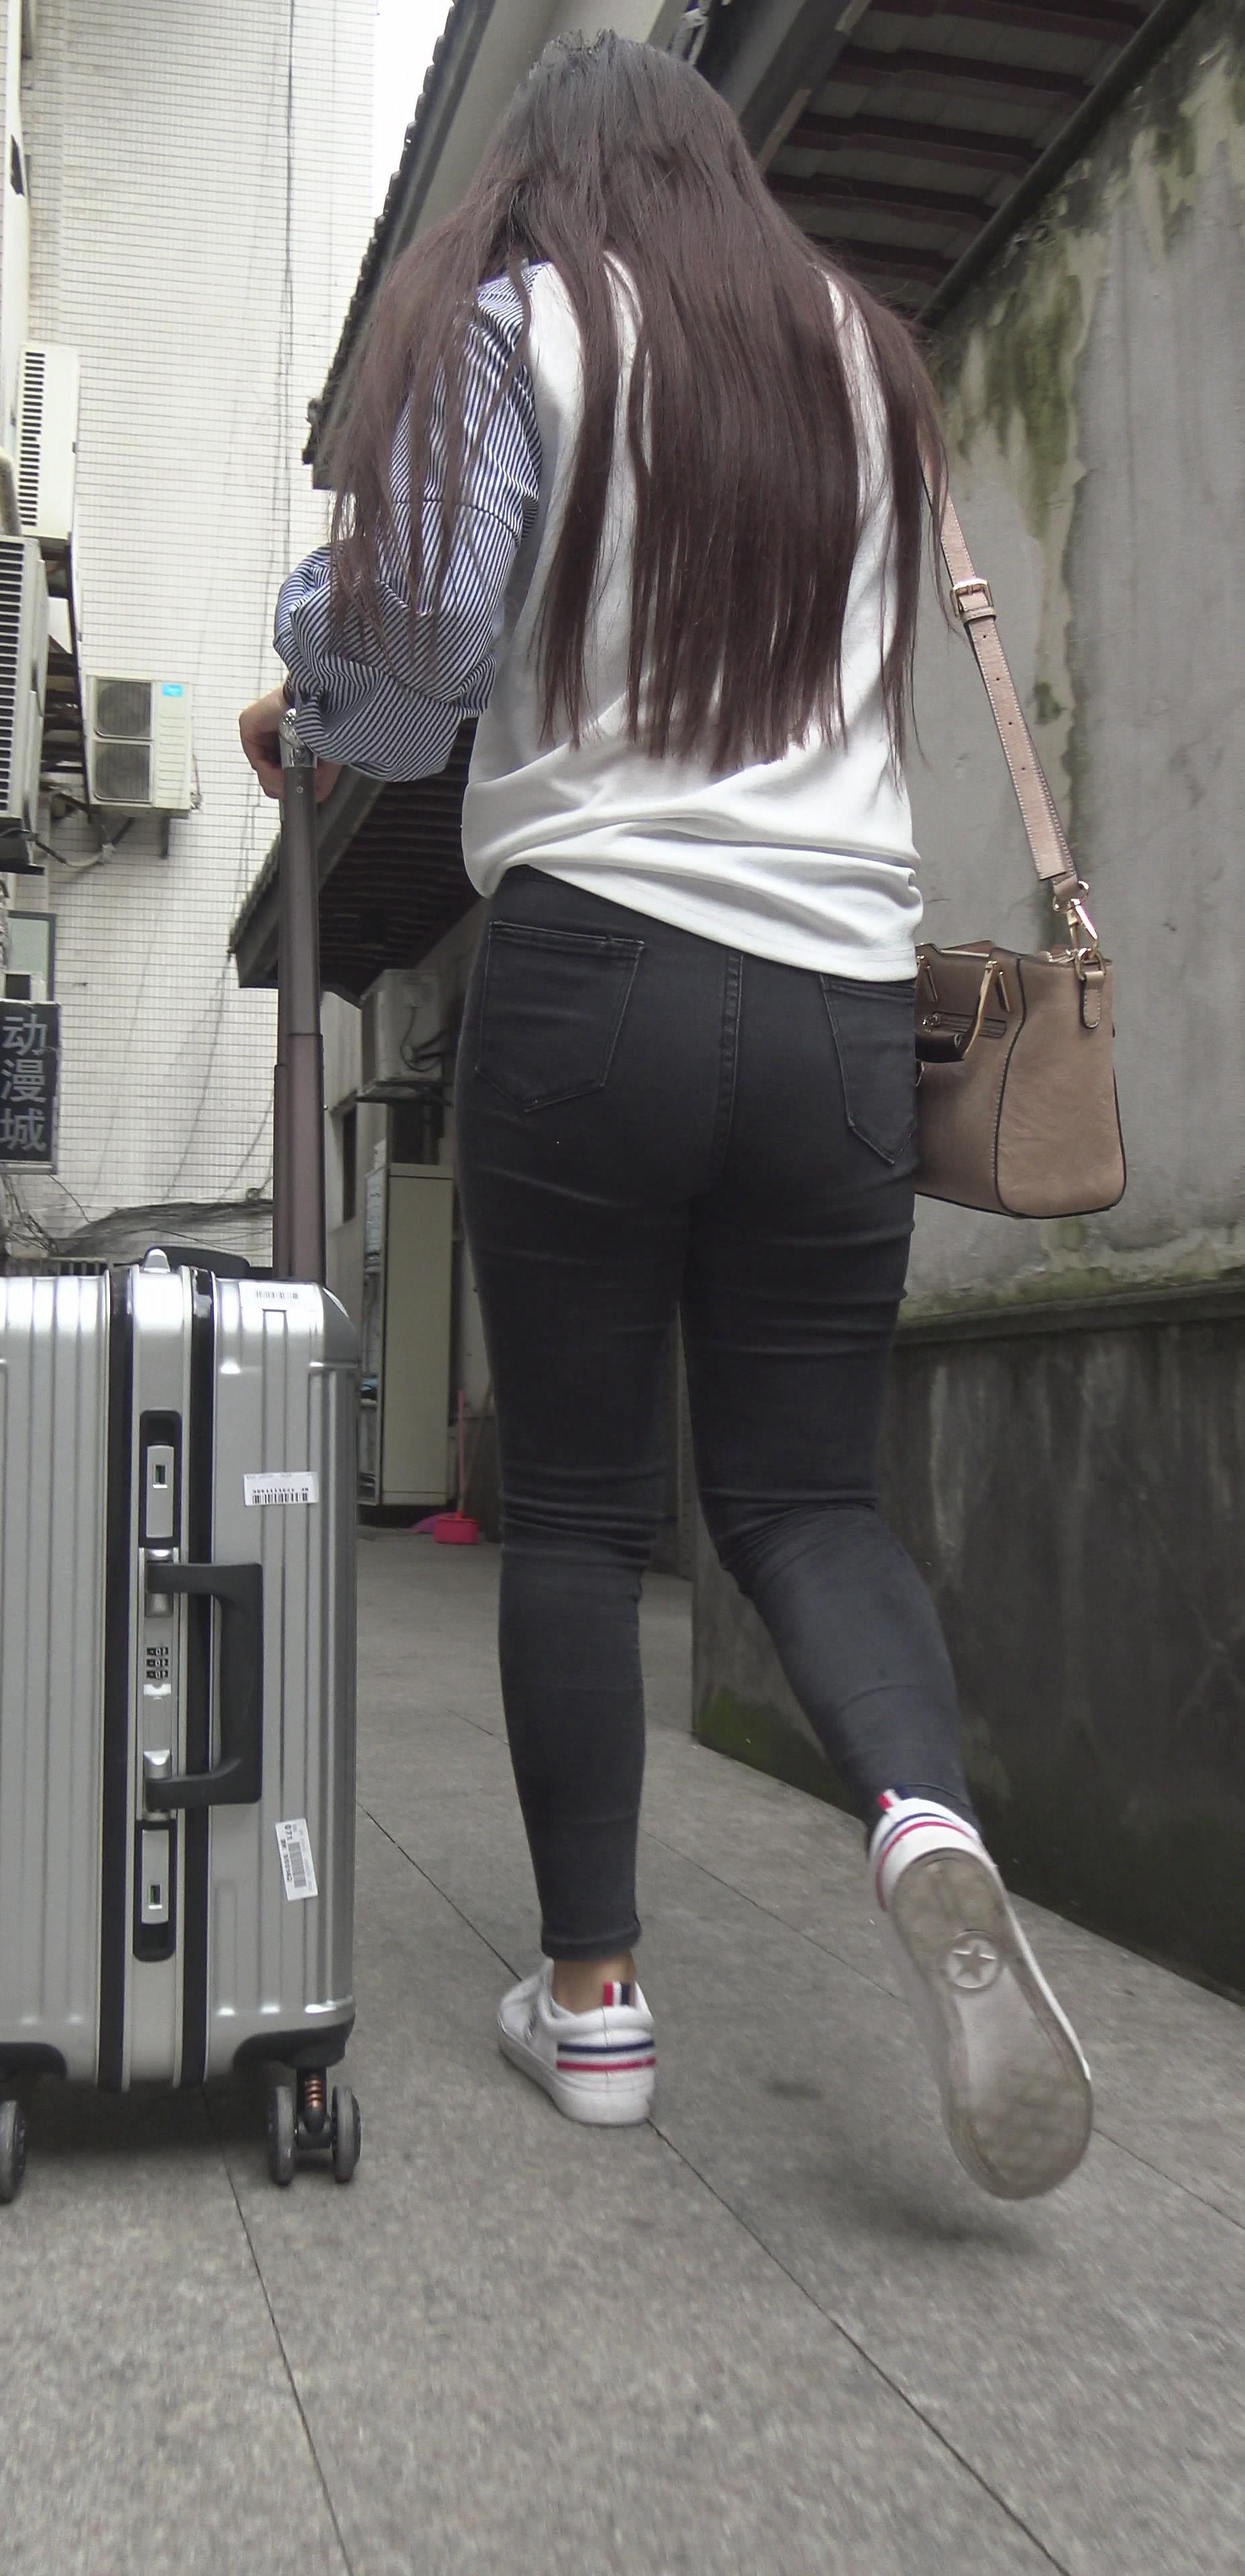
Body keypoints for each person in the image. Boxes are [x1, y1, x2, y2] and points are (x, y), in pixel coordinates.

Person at [240, 33, 1092, 2200]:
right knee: (807, 1499)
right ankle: (924, 1819)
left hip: (598, 979)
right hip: (843, 1012)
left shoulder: (528, 325)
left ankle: (597, 2006)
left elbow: (423, 663)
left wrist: (304, 658)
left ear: (548, 178)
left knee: (583, 1509)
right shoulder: (866, 360)